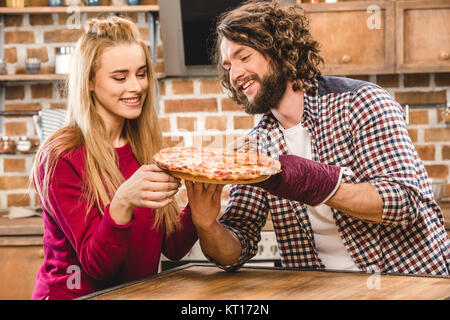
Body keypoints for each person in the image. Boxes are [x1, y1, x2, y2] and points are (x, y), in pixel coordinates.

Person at [185, 0, 450, 276]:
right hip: (323, 291)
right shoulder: (258, 146)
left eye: (244, 57)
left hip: (410, 284)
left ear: (279, 50)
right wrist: (206, 224)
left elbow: (404, 202)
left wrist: (311, 182)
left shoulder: (361, 103)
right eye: (228, 66)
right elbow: (234, 251)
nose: (235, 74)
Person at [31, 17, 197, 300]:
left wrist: (201, 202)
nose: (136, 87)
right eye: (120, 77)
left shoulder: (146, 146)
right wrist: (123, 201)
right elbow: (98, 268)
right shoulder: (61, 156)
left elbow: (172, 246)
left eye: (141, 74)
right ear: (90, 82)